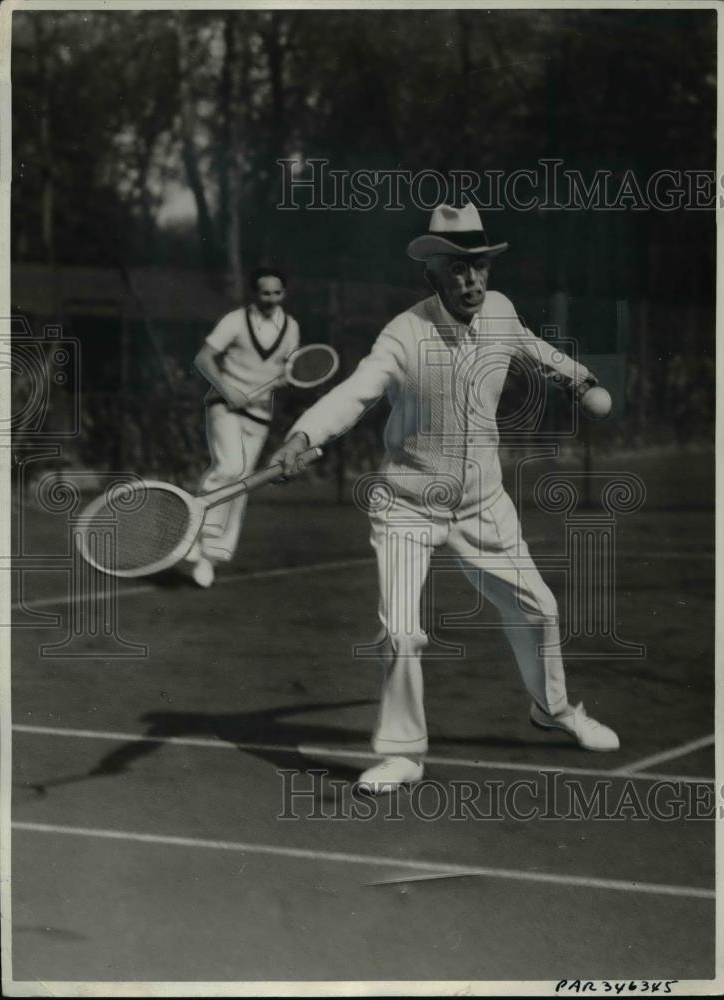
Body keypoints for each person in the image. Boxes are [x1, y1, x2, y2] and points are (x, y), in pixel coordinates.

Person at [272, 202, 619, 793]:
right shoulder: (402, 335)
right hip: (407, 503)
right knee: (401, 631)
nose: (472, 281)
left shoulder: (502, 313)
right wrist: (303, 435)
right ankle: (403, 753)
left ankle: (552, 709)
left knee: (540, 610)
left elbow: (535, 348)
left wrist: (580, 379)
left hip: (484, 503)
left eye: (479, 267)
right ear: (432, 274)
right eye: (458, 270)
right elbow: (354, 394)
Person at [189, 267, 300, 588]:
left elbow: (289, 370)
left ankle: (209, 557)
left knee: (241, 485)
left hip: (260, 415)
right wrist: (228, 390)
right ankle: (194, 533)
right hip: (224, 407)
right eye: (265, 293)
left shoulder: (291, 327)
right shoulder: (234, 321)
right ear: (254, 294)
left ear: (284, 293)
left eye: (276, 293)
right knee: (230, 468)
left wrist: (284, 378)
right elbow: (204, 359)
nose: (271, 299)